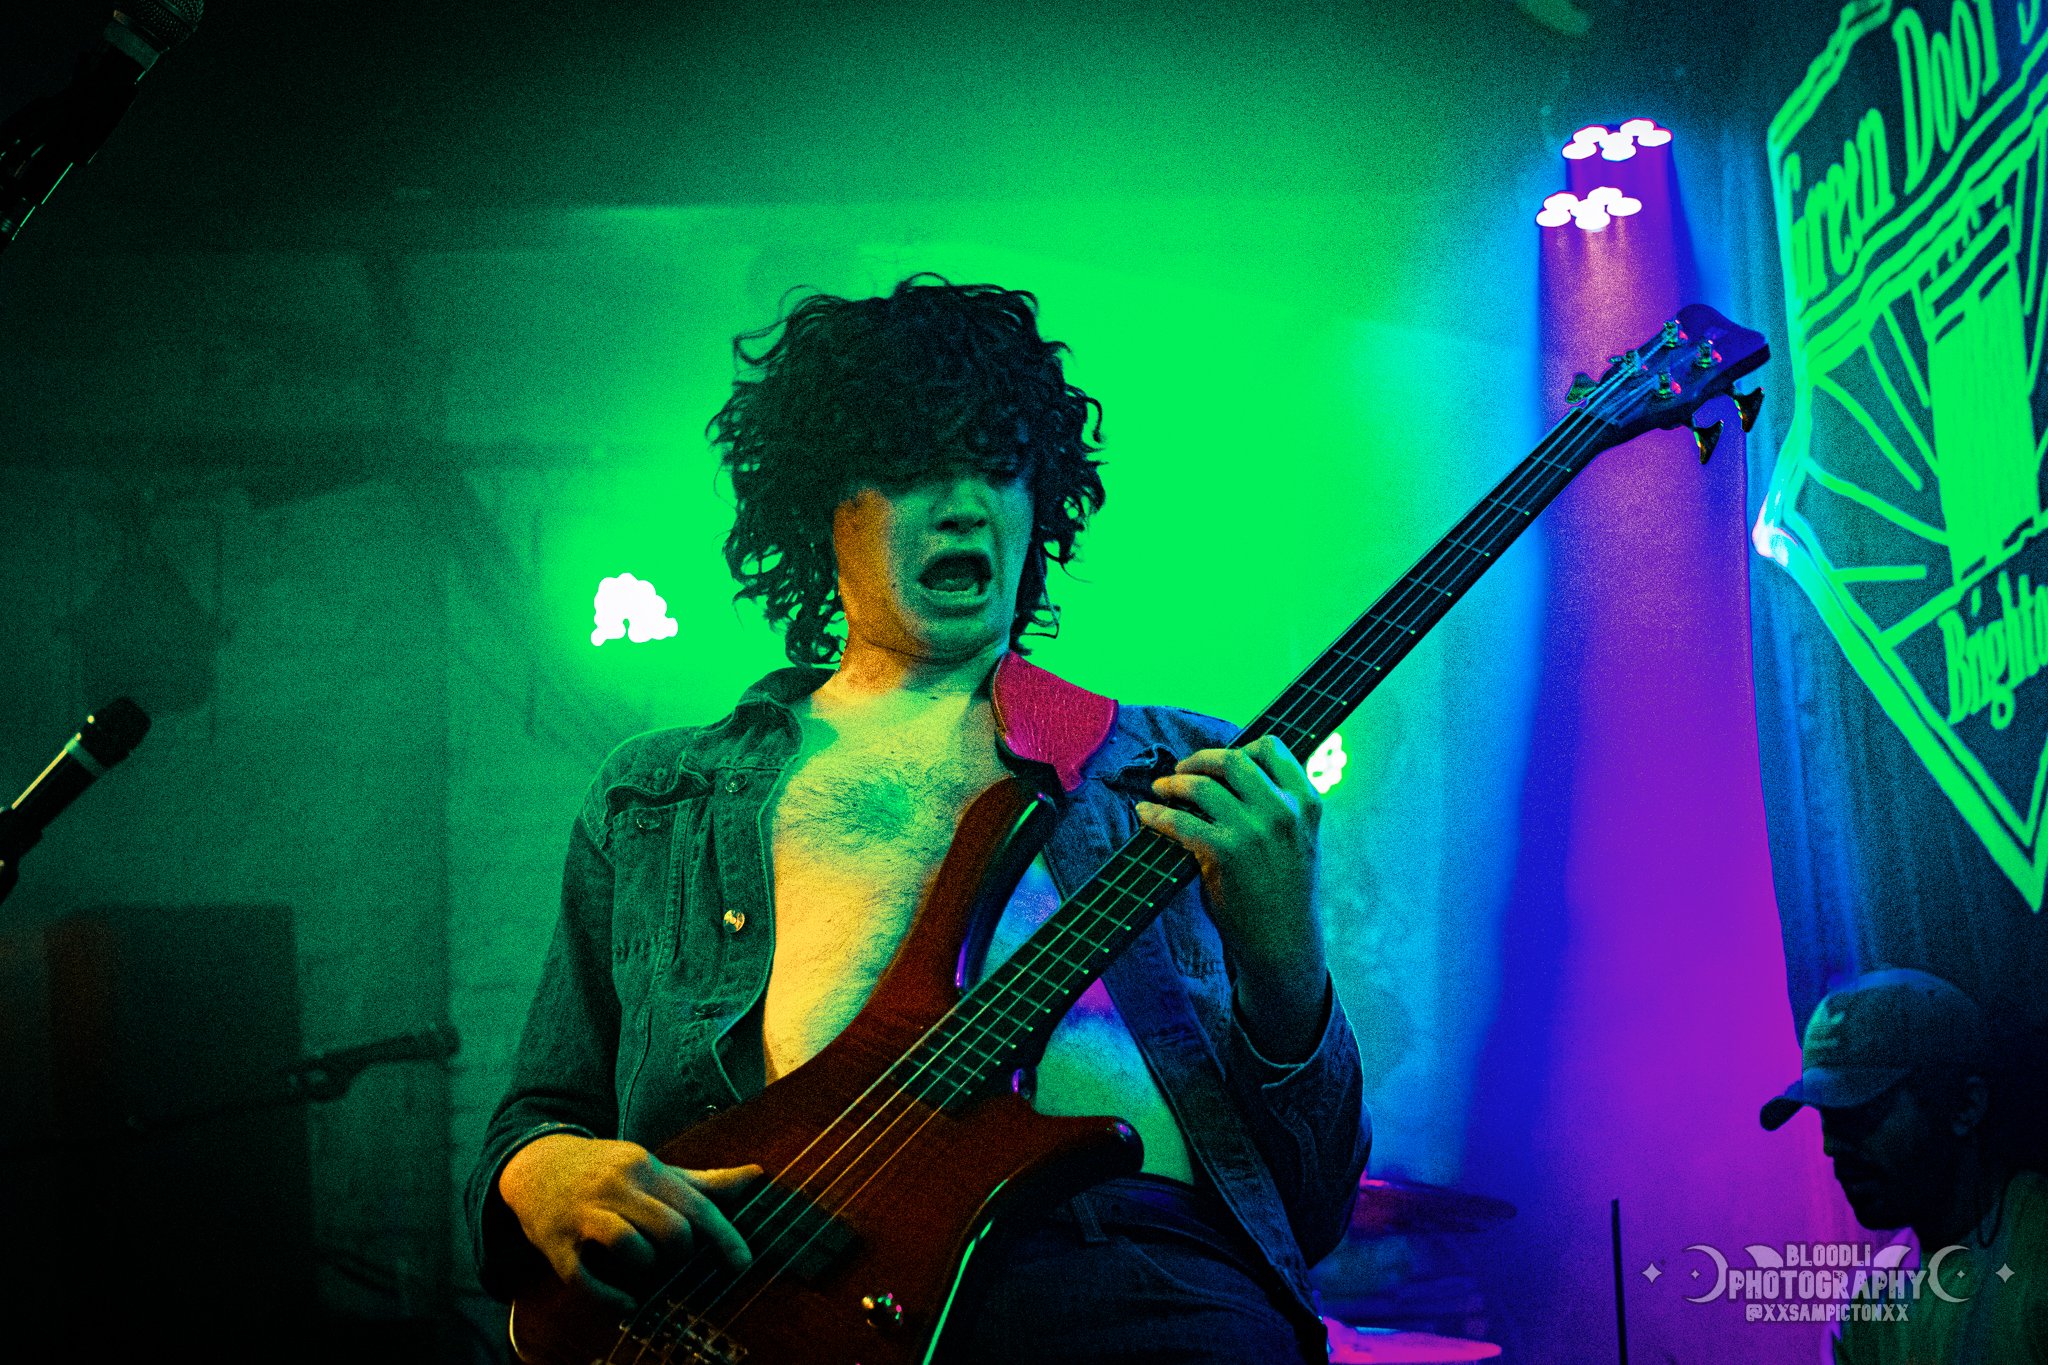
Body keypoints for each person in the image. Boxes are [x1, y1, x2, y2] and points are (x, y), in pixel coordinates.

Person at [465, 273, 1371, 1363]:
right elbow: (537, 1115)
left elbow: (1311, 1207)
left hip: (1132, 1284)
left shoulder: (1175, 767)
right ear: (817, 509)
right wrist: (546, 1172)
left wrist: (1285, 961)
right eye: (908, 470)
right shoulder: (659, 795)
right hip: (777, 1296)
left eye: (998, 465)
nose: (963, 504)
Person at [1760, 967, 2047, 1363]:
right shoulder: (1865, 1302)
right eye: (1827, 1116)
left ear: (1965, 1106)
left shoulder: (2036, 1261)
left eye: (1861, 1112)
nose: (1831, 1146)